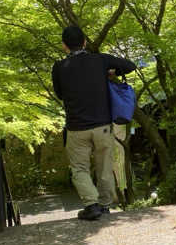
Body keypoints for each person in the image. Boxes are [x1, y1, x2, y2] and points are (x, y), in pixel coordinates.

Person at [52, 26, 136, 221]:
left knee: (79, 169)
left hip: (76, 128)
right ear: (84, 42)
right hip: (102, 126)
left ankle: (91, 205)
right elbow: (130, 65)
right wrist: (110, 73)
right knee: (104, 166)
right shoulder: (100, 60)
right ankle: (105, 206)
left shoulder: (59, 67)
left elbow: (60, 94)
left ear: (64, 46)